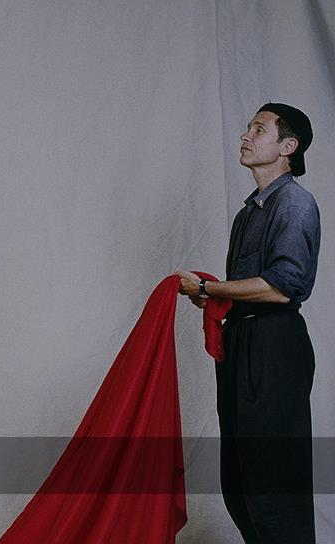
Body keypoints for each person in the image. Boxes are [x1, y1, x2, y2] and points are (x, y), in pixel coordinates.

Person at [176, 103, 319, 542]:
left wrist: (210, 288)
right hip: (241, 341)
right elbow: (251, 288)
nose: (246, 135)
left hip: (273, 347)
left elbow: (284, 287)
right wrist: (216, 296)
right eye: (248, 128)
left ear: (288, 147)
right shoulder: (248, 214)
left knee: (273, 485)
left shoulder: (294, 203)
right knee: (241, 483)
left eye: (259, 129)